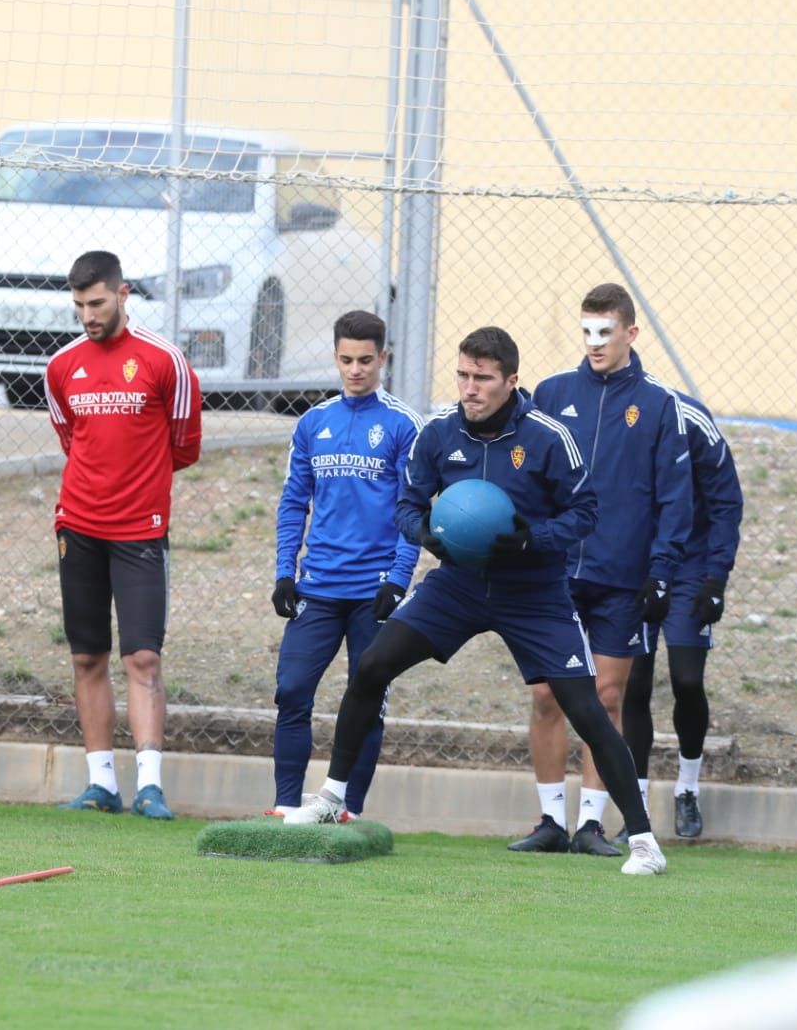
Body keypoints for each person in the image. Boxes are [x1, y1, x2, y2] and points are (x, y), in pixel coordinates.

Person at [286, 326, 667, 876]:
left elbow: (585, 514)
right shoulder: (438, 434)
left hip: (533, 593)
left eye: (483, 378)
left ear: (511, 381)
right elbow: (407, 505)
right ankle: (333, 798)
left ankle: (644, 843)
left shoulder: (548, 437)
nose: (470, 387)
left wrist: (532, 538)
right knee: (372, 666)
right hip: (458, 586)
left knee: (587, 710)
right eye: (463, 375)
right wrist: (426, 534)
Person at [514, 283, 692, 856]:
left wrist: (661, 570)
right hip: (553, 575)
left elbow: (674, 498)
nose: (595, 341)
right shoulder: (552, 392)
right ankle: (549, 821)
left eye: (606, 331)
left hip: (621, 578)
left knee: (606, 696)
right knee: (546, 694)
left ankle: (591, 824)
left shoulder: (660, 404)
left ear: (630, 334)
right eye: (587, 329)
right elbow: (530, 481)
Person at [44, 250, 202, 820]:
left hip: (140, 529)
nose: (88, 315)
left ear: (123, 293)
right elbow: (71, 438)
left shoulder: (165, 361)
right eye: (80, 305)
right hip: (77, 526)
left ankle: (150, 785)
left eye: (97, 303)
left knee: (143, 658)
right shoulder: (62, 365)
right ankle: (101, 783)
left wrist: (138, 486)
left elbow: (183, 445)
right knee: (87, 657)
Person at [268, 311, 422, 820]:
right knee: (291, 691)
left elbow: (411, 509)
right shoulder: (314, 423)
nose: (355, 370)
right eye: (345, 360)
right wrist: (284, 571)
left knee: (367, 695)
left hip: (374, 588)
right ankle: (285, 804)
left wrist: (399, 579)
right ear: (335, 357)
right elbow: (294, 502)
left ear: (384, 358)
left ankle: (346, 810)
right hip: (319, 585)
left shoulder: (403, 424)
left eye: (365, 360)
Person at [622, 390, 742, 838]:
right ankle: (637, 811)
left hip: (689, 568)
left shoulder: (690, 419)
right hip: (635, 566)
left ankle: (687, 788)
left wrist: (717, 578)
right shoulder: (609, 413)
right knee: (634, 684)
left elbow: (728, 502)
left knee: (687, 679)